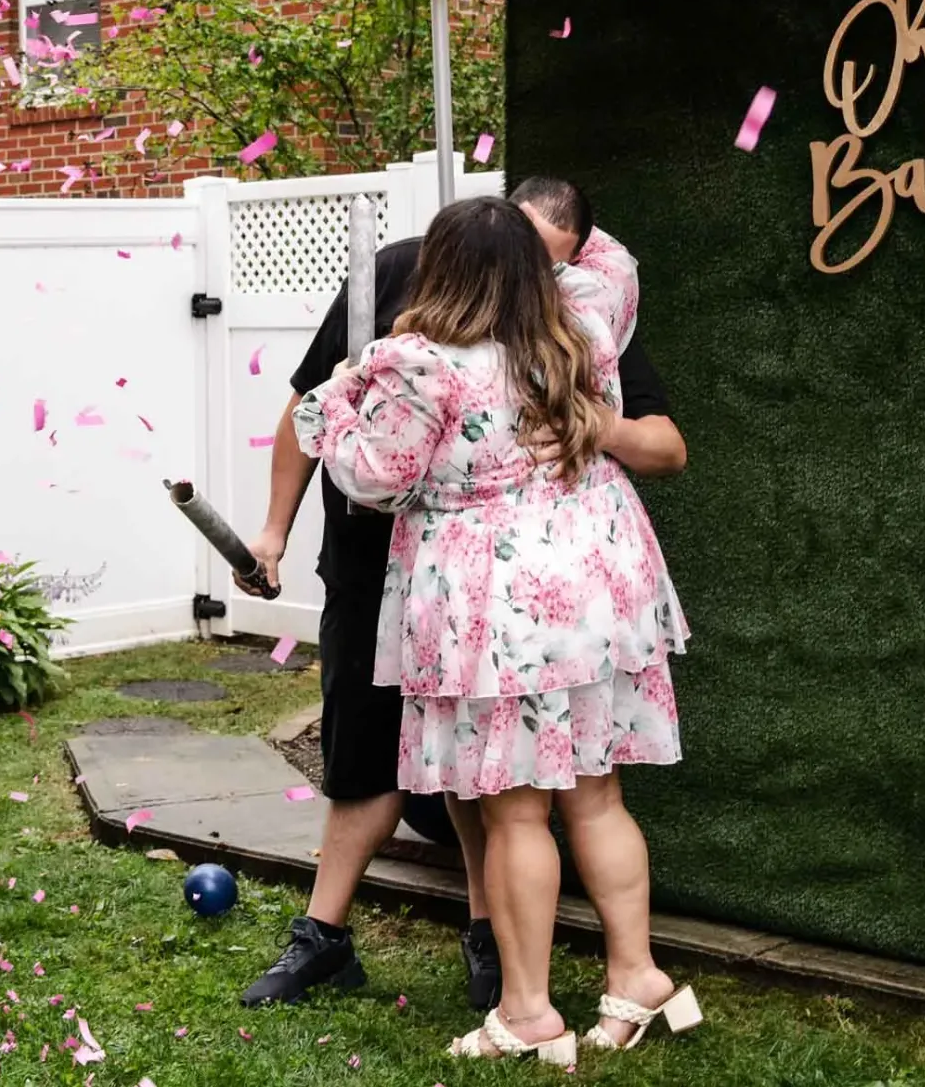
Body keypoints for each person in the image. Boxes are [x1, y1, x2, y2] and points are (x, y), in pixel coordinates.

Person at [238, 179, 686, 1015]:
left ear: (439, 268)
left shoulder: (421, 366)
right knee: (596, 797)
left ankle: (526, 1010)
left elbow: (374, 480)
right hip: (596, 591)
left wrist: (341, 396)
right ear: (535, 268)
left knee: (516, 814)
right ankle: (637, 975)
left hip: (503, 602)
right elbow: (613, 260)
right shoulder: (583, 332)